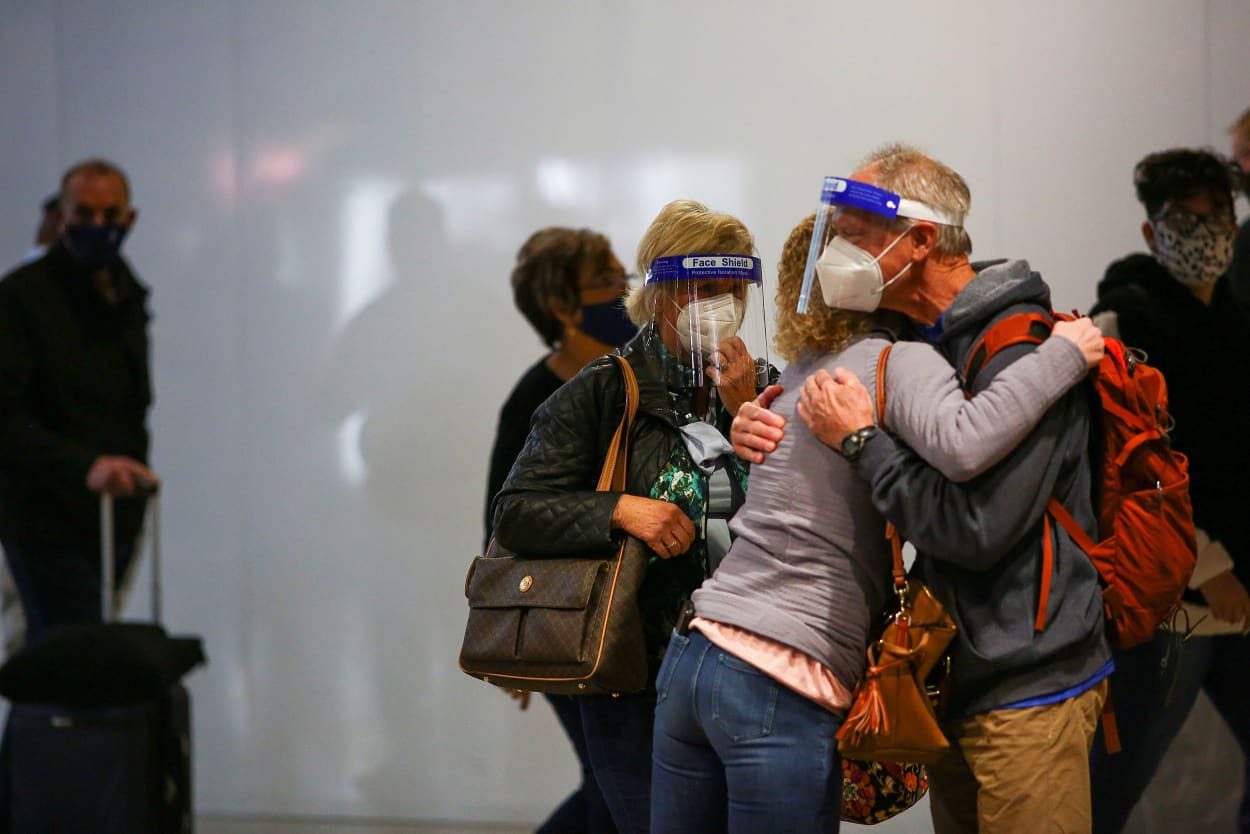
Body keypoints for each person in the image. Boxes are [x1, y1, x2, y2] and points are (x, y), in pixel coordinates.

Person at [649, 214, 1103, 833]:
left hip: (693, 658)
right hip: (779, 673)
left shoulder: (800, 372)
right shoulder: (896, 362)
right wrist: (1064, 354)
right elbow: (968, 441)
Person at [492, 199, 772, 834]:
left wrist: (748, 408)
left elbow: (802, 513)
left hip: (750, 670)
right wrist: (617, 509)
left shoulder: (765, 385)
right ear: (662, 292)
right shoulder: (600, 391)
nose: (722, 303)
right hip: (635, 675)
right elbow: (515, 513)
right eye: (704, 287)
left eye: (734, 288)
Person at [1086, 148, 1250, 834]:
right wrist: (1208, 565)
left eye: (1218, 217)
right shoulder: (1125, 321)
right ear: (1153, 231)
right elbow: (1127, 468)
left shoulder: (1233, 319)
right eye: (1187, 219)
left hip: (1236, 591)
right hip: (1171, 599)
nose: (1207, 233)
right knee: (1110, 789)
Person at [485, 226, 635, 834]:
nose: (626, 292)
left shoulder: (630, 378)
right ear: (562, 308)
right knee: (613, 788)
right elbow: (504, 522)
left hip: (619, 615)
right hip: (565, 619)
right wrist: (513, 638)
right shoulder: (535, 398)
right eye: (608, 282)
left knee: (614, 784)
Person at [0, 158, 157, 644]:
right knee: (69, 655)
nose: (99, 228)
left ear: (130, 219)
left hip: (115, 513)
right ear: (61, 218)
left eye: (110, 216)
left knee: (71, 656)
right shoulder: (23, 299)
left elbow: (130, 404)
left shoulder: (126, 296)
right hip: (46, 513)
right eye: (85, 214)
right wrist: (83, 465)